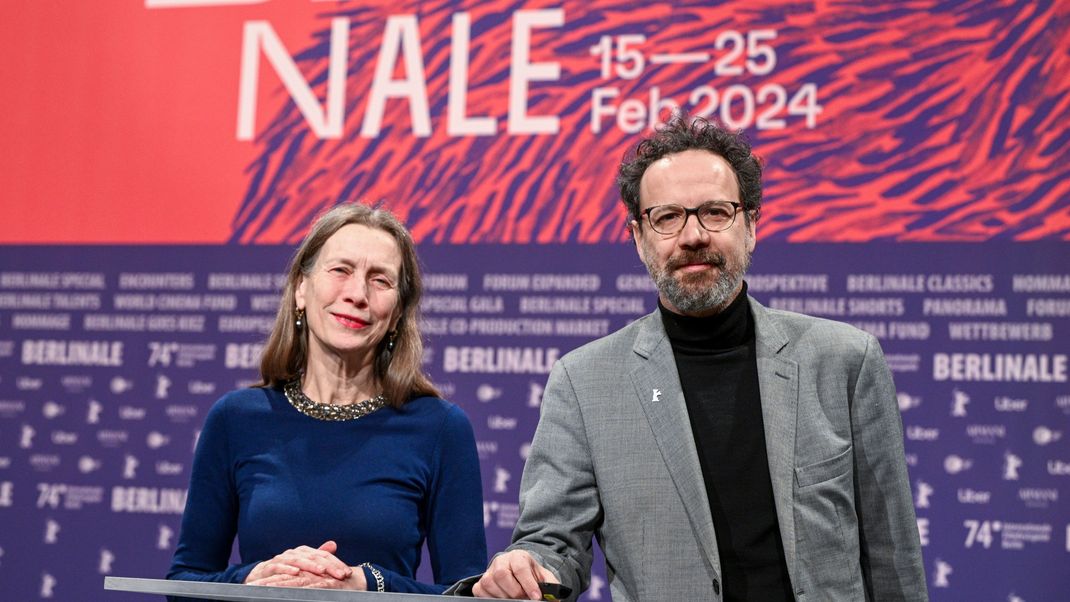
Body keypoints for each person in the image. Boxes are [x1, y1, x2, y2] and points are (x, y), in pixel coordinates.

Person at [470, 116, 927, 601]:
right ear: (639, 237)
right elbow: (552, 543)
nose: (693, 236)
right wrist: (527, 569)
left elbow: (892, 557)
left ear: (751, 226)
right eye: (667, 217)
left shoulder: (844, 362)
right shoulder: (584, 384)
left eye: (715, 212)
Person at [168, 203, 487, 596]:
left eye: (380, 280)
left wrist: (372, 583)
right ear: (301, 289)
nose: (357, 294)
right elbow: (183, 583)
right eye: (341, 270)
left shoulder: (440, 428)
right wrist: (251, 579)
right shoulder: (235, 419)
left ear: (399, 312)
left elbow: (467, 595)